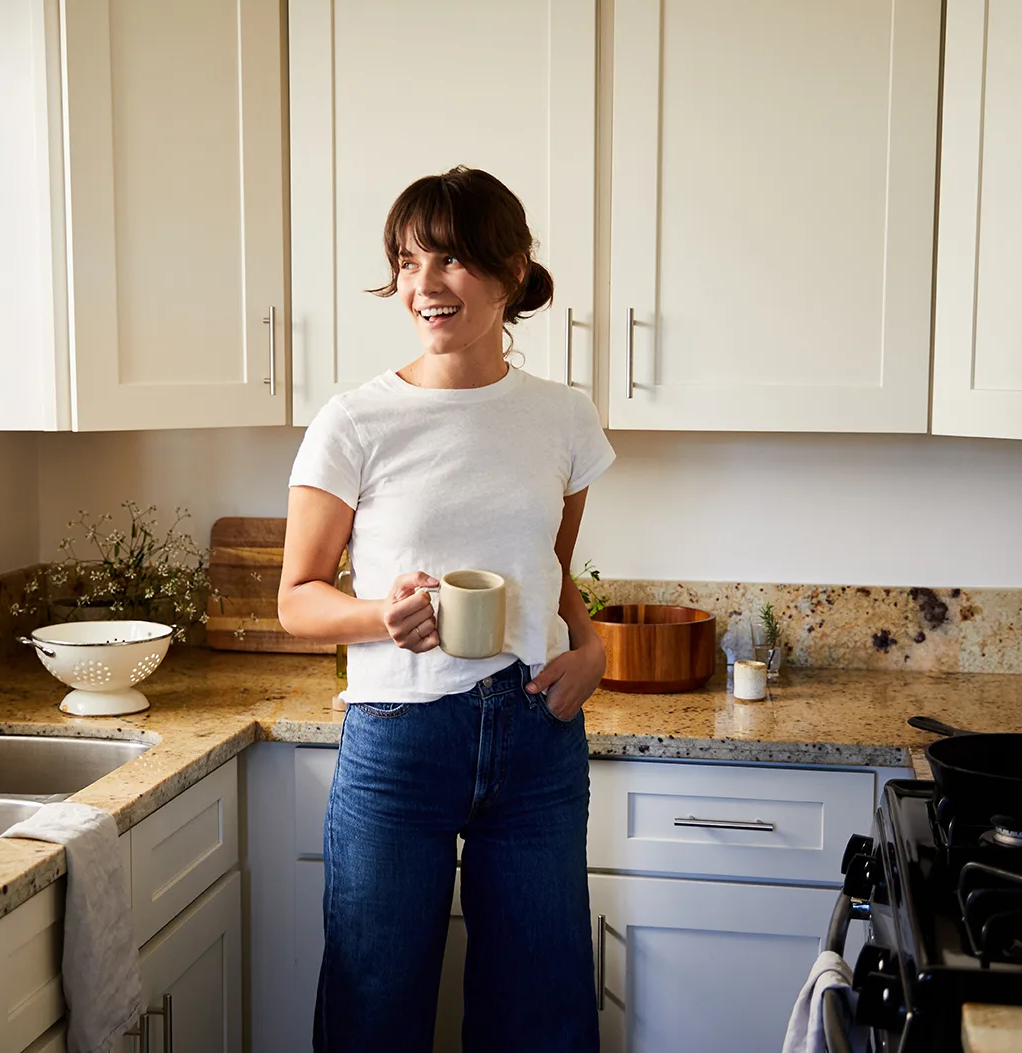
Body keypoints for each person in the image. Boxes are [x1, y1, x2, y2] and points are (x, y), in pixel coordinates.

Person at [278, 166, 615, 1053]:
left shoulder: (563, 417)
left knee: (540, 1013)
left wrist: (589, 647)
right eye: (405, 261)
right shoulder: (355, 420)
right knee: (373, 1006)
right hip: (399, 735)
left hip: (537, 734)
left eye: (451, 260)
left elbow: (548, 567)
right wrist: (376, 618)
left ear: (509, 269)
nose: (423, 286)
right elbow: (295, 598)